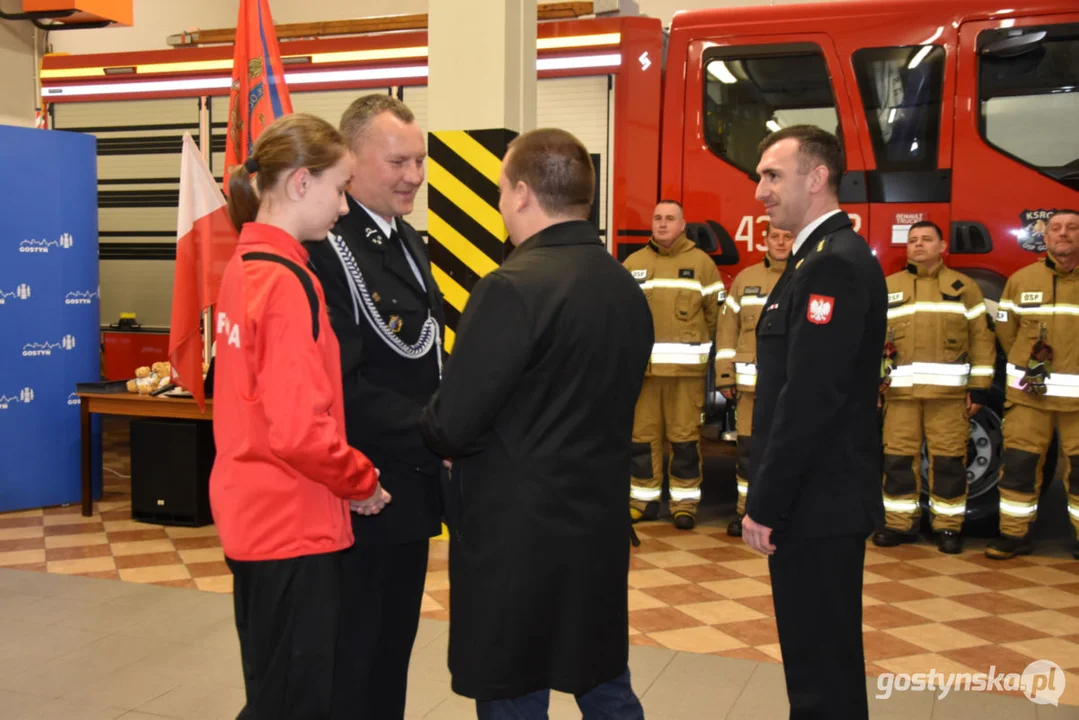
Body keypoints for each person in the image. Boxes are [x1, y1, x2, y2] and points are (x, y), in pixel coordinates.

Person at [419, 128, 653, 719]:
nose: (500, 203)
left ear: (522, 194)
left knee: (514, 691)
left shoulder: (510, 288)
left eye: (500, 189)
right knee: (602, 680)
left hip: (516, 540)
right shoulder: (623, 285)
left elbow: (452, 423)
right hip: (596, 524)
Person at [212, 112, 390, 720]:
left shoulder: (244, 268)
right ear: (299, 183)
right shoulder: (289, 282)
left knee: (272, 690)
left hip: (253, 514)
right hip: (292, 523)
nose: (343, 209)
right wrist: (360, 481)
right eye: (340, 189)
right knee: (292, 701)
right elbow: (298, 431)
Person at [303, 94, 445, 719]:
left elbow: (425, 355)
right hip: (362, 491)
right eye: (398, 162)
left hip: (409, 490)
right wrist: (438, 429)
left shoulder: (408, 240)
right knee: (351, 662)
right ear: (351, 161)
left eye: (420, 161)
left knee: (391, 655)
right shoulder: (327, 247)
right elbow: (341, 383)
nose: (413, 176)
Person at [741, 124, 886, 720]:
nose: (760, 192)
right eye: (760, 177)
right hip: (815, 500)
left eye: (773, 175)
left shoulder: (832, 266)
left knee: (822, 671)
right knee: (818, 663)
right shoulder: (813, 261)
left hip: (816, 505)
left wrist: (765, 503)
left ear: (818, 177)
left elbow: (808, 399)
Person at [873, 221, 995, 555]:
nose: (918, 245)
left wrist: (980, 387)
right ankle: (900, 524)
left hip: (948, 399)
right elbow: (872, 341)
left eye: (927, 239)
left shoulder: (963, 287)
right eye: (913, 240)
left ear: (942, 247)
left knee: (948, 463)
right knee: (897, 461)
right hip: (900, 398)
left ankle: (948, 527)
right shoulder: (889, 287)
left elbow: (982, 340)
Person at [623, 200, 725, 529]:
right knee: (642, 439)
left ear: (683, 225)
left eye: (670, 219)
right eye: (657, 218)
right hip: (645, 375)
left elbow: (716, 318)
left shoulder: (702, 264)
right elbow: (621, 317)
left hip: (686, 376)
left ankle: (684, 504)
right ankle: (643, 500)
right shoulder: (633, 263)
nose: (663, 224)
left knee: (684, 441)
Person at [988, 209, 1079, 560]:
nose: (1064, 234)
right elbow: (1005, 330)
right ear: (1046, 237)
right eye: (1056, 228)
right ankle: (1014, 536)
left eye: (1072, 228)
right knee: (1020, 467)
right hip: (1029, 397)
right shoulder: (1021, 279)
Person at [715, 223, 793, 537]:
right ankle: (746, 512)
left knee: (788, 452)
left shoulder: (806, 276)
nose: (781, 242)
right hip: (752, 391)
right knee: (749, 453)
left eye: (787, 236)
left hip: (792, 391)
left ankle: (784, 513)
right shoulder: (746, 280)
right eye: (775, 236)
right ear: (765, 241)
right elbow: (727, 330)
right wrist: (724, 375)